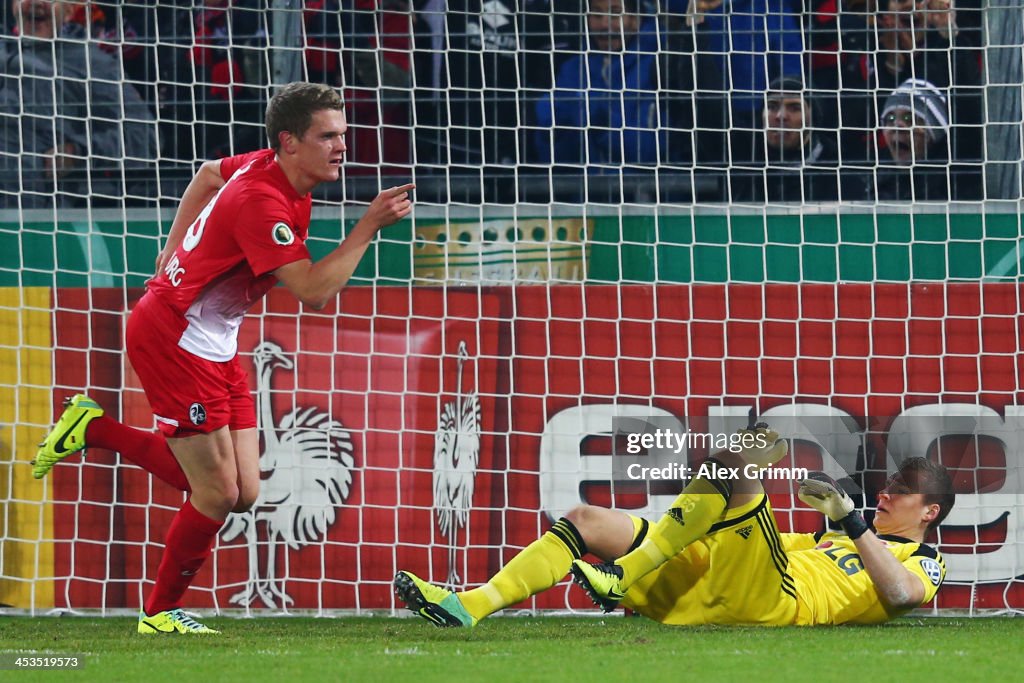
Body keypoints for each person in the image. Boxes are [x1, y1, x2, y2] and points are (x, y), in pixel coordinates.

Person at [32, 82, 414, 634]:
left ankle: (95, 430)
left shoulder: (266, 166)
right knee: (216, 492)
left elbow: (210, 171)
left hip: (217, 337)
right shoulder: (262, 202)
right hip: (174, 335)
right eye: (327, 136)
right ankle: (158, 614)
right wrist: (367, 227)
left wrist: (173, 243)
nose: (340, 147)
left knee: (246, 491)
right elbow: (312, 291)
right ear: (289, 142)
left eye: (343, 135)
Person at [395, 425, 955, 627]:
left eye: (902, 492)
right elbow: (749, 542)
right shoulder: (826, 536)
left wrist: (850, 519)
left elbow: (901, 596)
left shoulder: (923, 561)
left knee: (740, 459)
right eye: (888, 486)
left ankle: (624, 576)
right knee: (586, 519)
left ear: (928, 513)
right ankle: (472, 605)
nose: (887, 493)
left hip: (775, 604)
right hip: (719, 588)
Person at [0, 0, 157, 208]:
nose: (35, 3)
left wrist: (78, 151)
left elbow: (146, 138)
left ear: (68, 10)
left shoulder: (91, 64)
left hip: (40, 214)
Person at [731, 76, 847, 202]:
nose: (781, 116)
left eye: (795, 108)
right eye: (772, 106)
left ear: (812, 117)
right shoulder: (743, 157)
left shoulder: (839, 169)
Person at [867, 78, 980, 201]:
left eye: (910, 118)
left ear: (934, 130)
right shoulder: (875, 181)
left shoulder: (958, 183)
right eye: (890, 118)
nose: (897, 125)